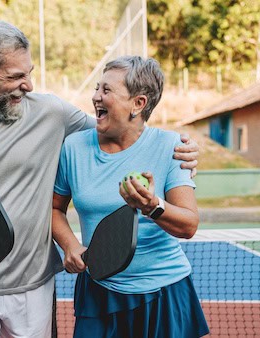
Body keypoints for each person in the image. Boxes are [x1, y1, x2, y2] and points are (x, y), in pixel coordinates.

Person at [0, 21, 199, 337]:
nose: (28, 85)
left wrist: (187, 148)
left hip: (35, 289)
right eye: (16, 76)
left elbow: (122, 129)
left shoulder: (52, 113)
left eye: (29, 73)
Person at [52, 55, 209, 337]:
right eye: (97, 88)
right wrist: (70, 245)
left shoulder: (172, 146)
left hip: (164, 293)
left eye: (106, 90)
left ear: (138, 103)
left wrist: (152, 206)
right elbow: (53, 209)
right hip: (98, 291)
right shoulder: (73, 148)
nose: (95, 96)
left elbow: (188, 225)